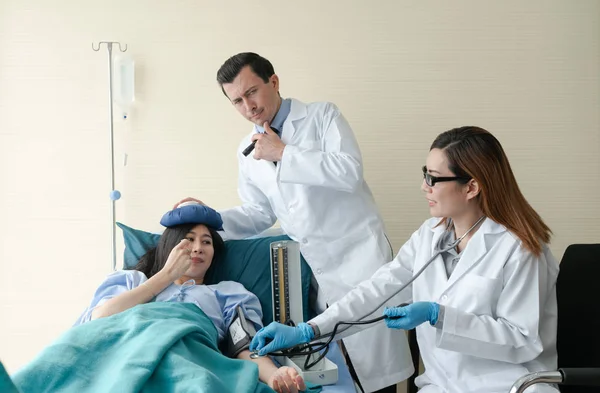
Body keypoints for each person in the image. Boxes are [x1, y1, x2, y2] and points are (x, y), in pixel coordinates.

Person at [250, 126, 560, 393]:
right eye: (424, 174)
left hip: (508, 385)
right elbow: (377, 291)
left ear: (472, 187)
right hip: (442, 385)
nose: (424, 186)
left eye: (434, 178)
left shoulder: (520, 248)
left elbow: (523, 341)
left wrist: (439, 315)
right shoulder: (431, 235)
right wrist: (310, 330)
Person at [175, 52, 412, 393]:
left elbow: (349, 171)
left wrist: (284, 153)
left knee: (378, 373)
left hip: (359, 259)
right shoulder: (247, 149)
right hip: (315, 273)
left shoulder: (322, 116)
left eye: (252, 92)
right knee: (338, 370)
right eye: (237, 101)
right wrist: (207, 216)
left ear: (274, 81)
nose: (248, 107)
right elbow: (258, 213)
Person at [75, 203, 307, 393]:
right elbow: (100, 318)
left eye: (206, 242)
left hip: (189, 366)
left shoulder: (227, 293)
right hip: (124, 360)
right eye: (188, 240)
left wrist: (274, 374)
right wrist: (166, 275)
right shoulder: (132, 281)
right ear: (169, 246)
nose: (197, 248)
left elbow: (243, 345)